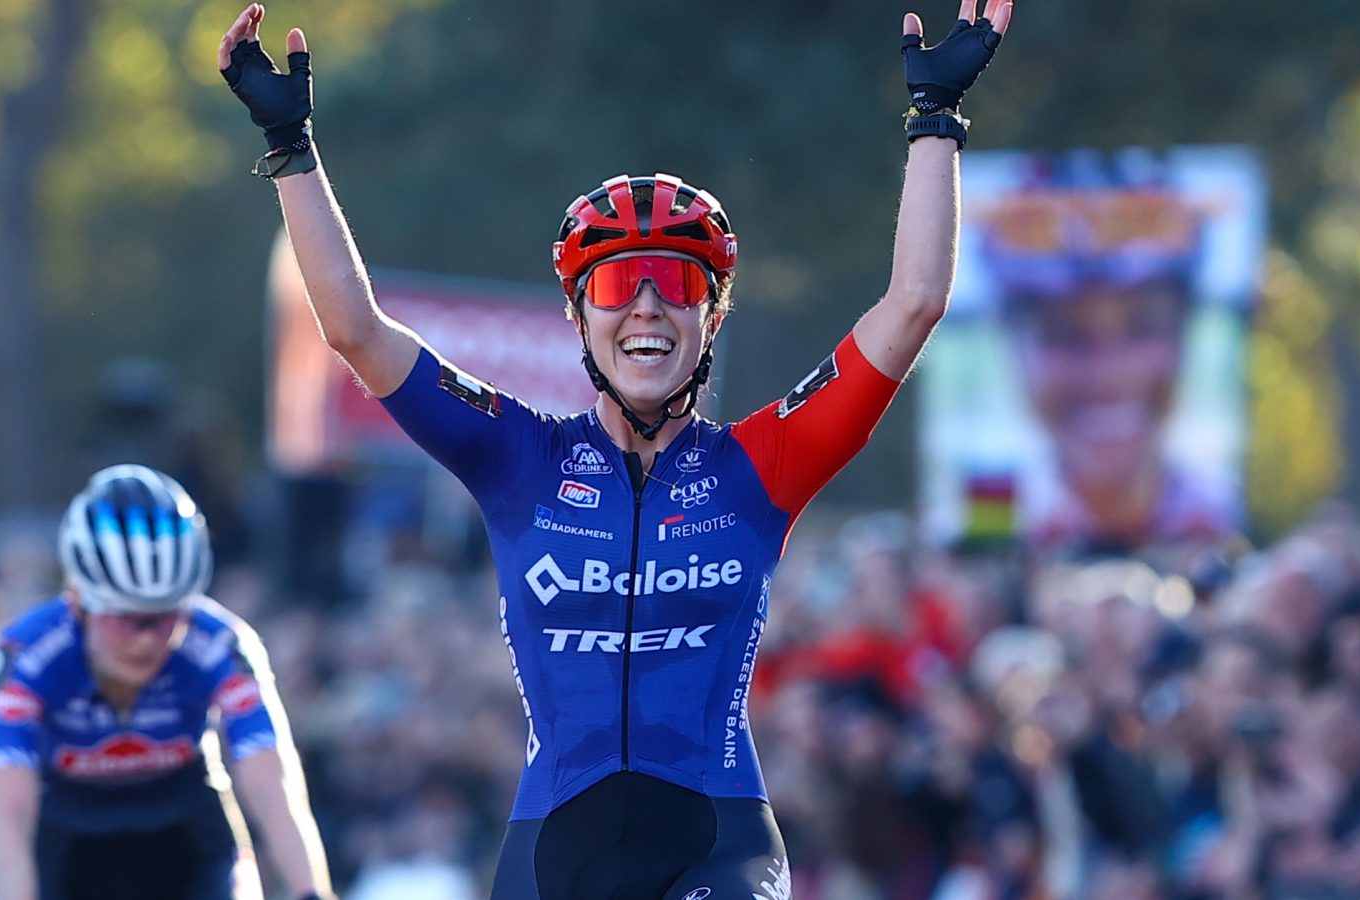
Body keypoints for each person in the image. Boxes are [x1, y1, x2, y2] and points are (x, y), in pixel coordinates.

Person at [218, 2, 1011, 896]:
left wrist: (936, 119)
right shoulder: (517, 458)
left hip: (717, 841)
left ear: (711, 317)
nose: (645, 307)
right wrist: (291, 147)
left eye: (676, 282)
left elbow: (911, 305)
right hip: (556, 842)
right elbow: (355, 331)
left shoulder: (760, 465)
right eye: (614, 285)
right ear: (578, 315)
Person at [0, 465, 334, 900]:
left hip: (189, 836)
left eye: (166, 616)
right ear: (78, 601)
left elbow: (272, 789)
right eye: (127, 618)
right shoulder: (26, 656)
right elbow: (6, 812)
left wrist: (309, 892)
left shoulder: (222, 643)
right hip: (68, 846)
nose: (147, 639)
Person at [980, 151, 1236, 550]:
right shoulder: (987, 508)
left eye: (1143, 326)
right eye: (1065, 336)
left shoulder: (1217, 511)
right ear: (1010, 344)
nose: (1109, 376)